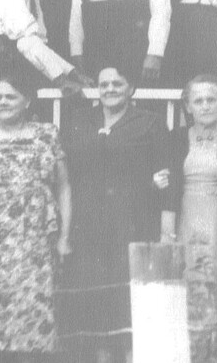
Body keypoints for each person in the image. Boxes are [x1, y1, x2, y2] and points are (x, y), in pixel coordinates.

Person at [60, 65, 173, 363]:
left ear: (131, 88)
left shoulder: (150, 122)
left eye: (117, 83)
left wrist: (164, 226)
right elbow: (66, 174)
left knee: (129, 298)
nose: (110, 88)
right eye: (104, 83)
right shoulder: (82, 121)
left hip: (133, 222)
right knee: (95, 297)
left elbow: (166, 177)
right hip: (89, 225)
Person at [0, 73, 72, 363]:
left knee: (34, 312)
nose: (2, 102)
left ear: (27, 101)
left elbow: (63, 186)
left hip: (35, 238)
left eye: (10, 97)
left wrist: (64, 237)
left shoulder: (47, 133)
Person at [162, 74, 217, 279]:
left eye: (211, 100)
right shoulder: (176, 138)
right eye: (198, 101)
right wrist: (167, 233)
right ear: (188, 107)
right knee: (191, 279)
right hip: (187, 217)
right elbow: (170, 190)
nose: (205, 106)